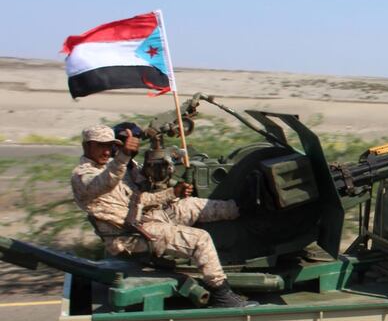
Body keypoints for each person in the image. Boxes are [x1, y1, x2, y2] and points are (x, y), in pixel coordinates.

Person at [71, 124, 255, 308]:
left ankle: (245, 207)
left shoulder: (116, 168)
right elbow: (104, 183)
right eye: (100, 145)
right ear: (87, 146)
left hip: (147, 219)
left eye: (110, 145)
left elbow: (140, 198)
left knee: (190, 205)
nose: (106, 150)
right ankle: (222, 295)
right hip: (130, 236)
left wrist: (173, 193)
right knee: (200, 239)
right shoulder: (83, 175)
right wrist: (122, 157)